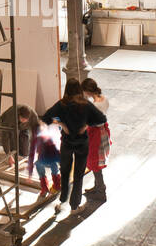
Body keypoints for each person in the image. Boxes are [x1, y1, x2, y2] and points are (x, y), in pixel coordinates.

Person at [41, 79, 108, 214]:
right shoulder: (86, 104)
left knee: (65, 173)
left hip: (66, 143)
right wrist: (86, 125)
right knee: (78, 175)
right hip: (82, 143)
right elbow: (101, 119)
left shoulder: (61, 104)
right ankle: (74, 207)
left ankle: (62, 202)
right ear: (79, 89)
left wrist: (62, 124)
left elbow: (46, 118)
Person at [81, 77, 111, 207]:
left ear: (88, 91)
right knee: (96, 162)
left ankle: (101, 191)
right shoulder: (104, 99)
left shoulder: (94, 105)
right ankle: (97, 186)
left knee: (94, 162)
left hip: (95, 134)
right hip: (102, 131)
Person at [28, 117, 62, 205]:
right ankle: (56, 185)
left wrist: (30, 173)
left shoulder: (37, 138)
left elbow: (32, 154)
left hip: (44, 159)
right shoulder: (51, 134)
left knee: (39, 166)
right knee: (54, 167)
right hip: (53, 158)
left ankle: (45, 188)